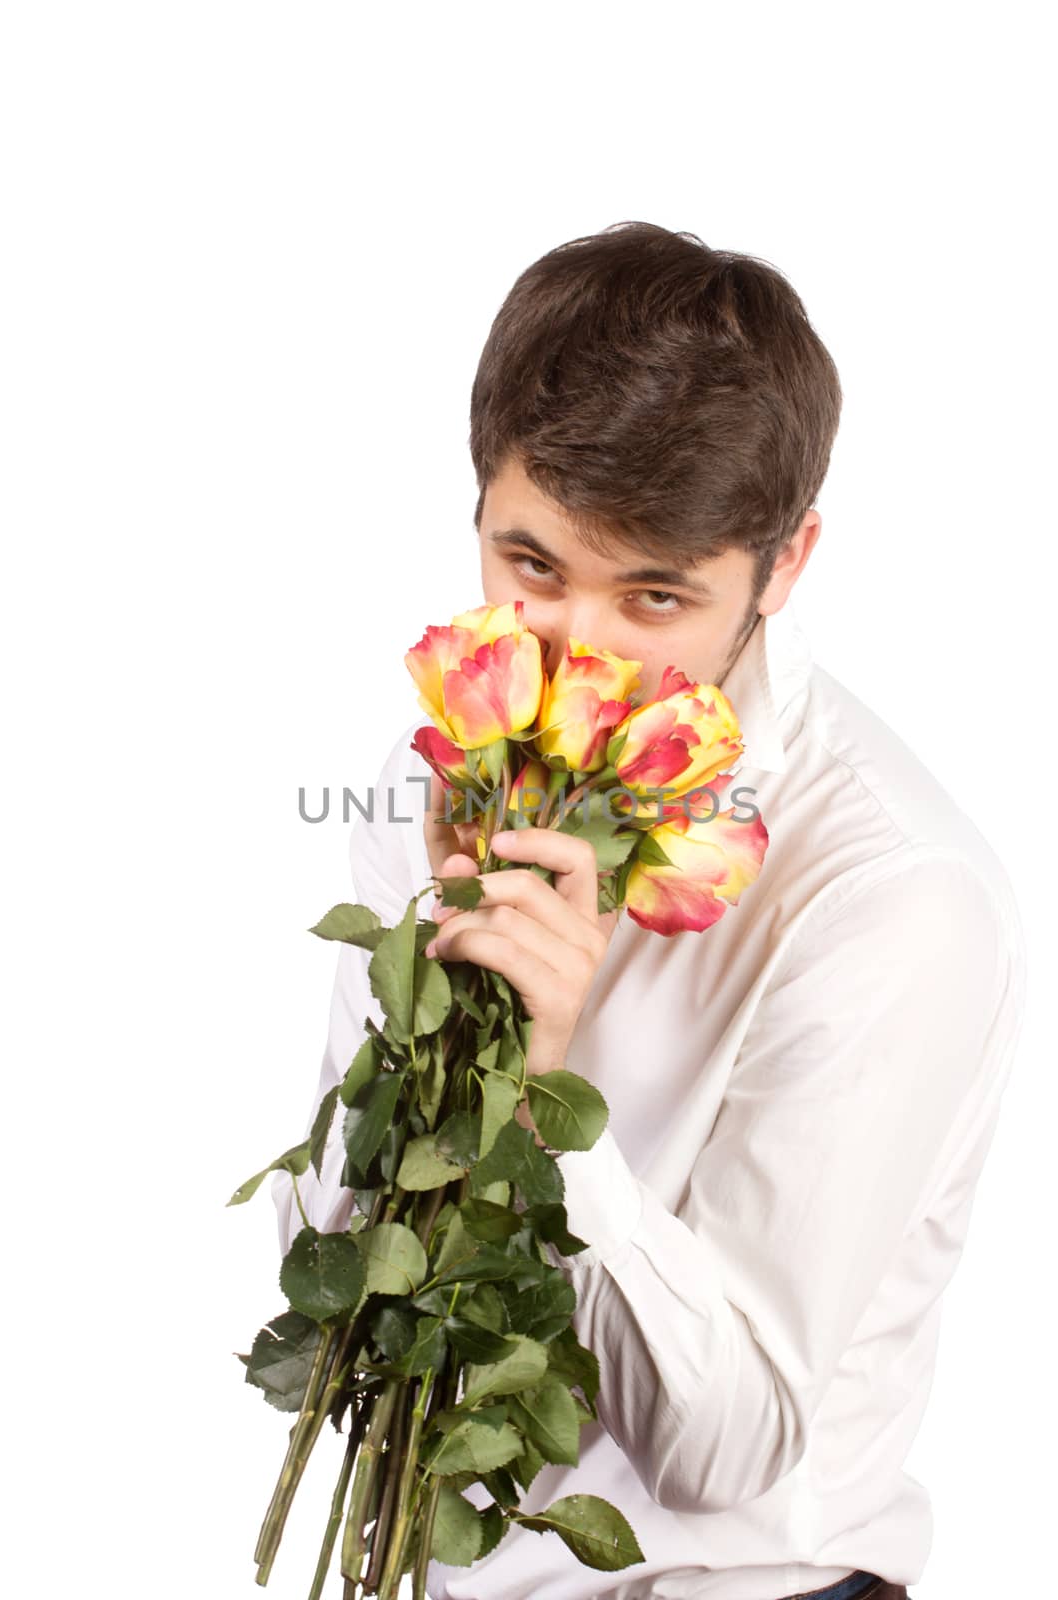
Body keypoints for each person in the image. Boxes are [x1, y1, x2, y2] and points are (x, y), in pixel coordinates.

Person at [272, 223, 1026, 1600]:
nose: (581, 657)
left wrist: (544, 1094)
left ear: (784, 568)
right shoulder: (441, 766)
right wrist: (435, 1033)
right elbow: (329, 1298)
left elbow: (725, 1447)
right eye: (534, 566)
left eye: (658, 596)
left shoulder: (893, 892)